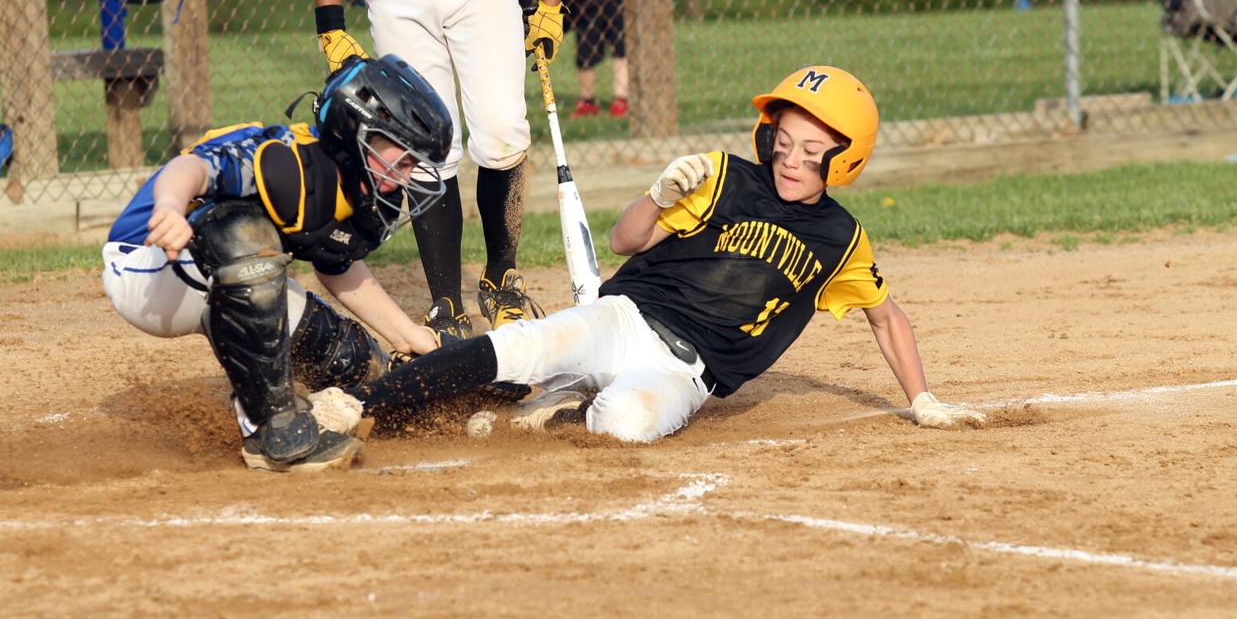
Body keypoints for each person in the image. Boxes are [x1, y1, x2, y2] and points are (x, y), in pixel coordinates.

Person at [354, 65, 988, 441]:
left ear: (846, 158)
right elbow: (624, 241)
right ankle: (364, 408)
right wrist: (658, 196)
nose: (791, 159)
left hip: (686, 376)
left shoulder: (841, 240)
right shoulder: (722, 176)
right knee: (525, 347)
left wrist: (921, 399)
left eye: (812, 149)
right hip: (624, 316)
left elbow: (887, 317)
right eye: (784, 141)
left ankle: (563, 407)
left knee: (625, 425)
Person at [294, 0, 565, 345]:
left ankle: (502, 279)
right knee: (423, 139)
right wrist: (329, 23)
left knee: (504, 126)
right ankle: (446, 305)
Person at [101, 55, 450, 472]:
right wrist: (171, 207)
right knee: (239, 229)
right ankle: (272, 431)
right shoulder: (281, 159)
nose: (407, 175)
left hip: (218, 275)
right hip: (150, 264)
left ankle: (286, 405)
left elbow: (338, 266)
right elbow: (189, 167)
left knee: (354, 362)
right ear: (358, 133)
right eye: (403, 159)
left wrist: (410, 337)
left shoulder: (351, 188)